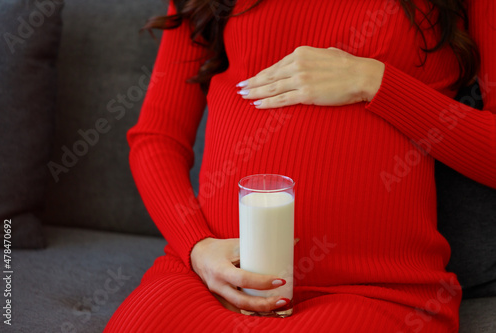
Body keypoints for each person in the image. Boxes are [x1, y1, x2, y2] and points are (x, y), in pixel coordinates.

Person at [105, 0, 495, 331]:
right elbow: (156, 138)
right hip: (212, 281)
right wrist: (196, 247)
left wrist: (373, 80)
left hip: (376, 292)